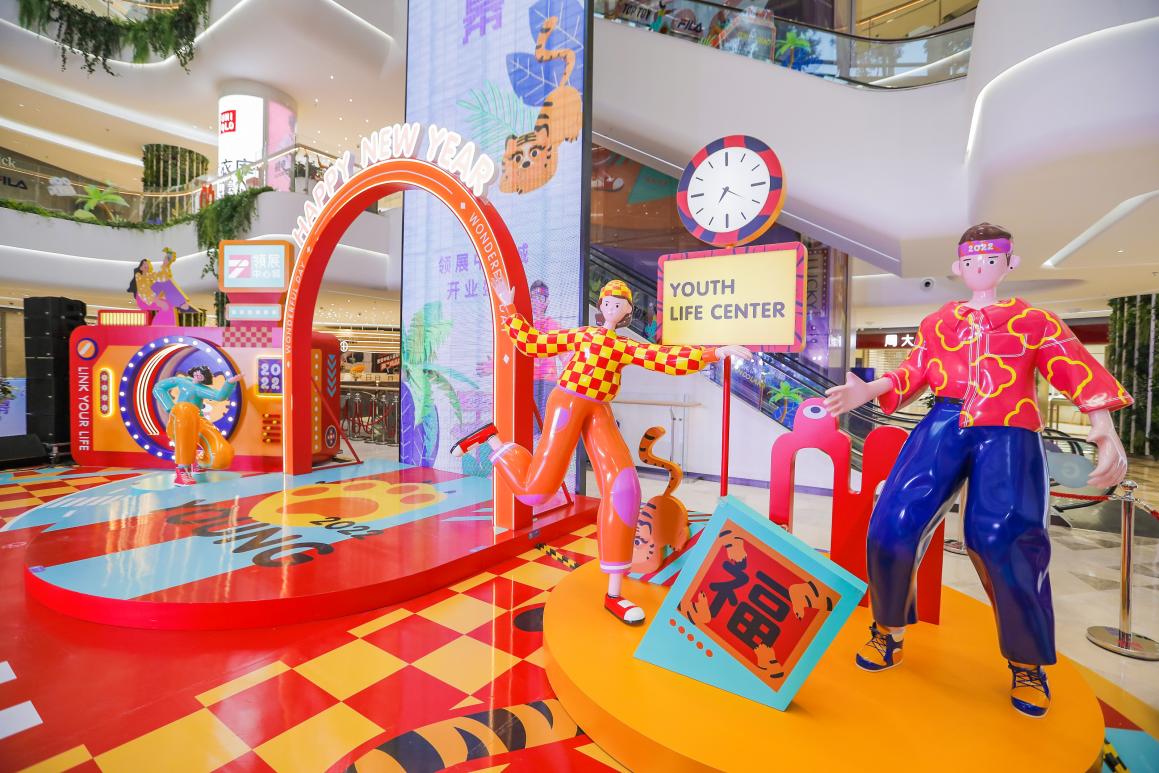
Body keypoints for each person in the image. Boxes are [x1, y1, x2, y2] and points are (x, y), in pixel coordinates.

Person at [823, 223, 1132, 717]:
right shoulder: (938, 322)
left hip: (1010, 428)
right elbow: (914, 370)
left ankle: (1027, 664)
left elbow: (1074, 366)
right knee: (892, 523)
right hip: (943, 423)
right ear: (958, 266)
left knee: (1004, 538)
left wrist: (1102, 424)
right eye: (970, 261)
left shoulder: (1035, 321)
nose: (980, 268)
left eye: (991, 259)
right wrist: (870, 389)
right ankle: (888, 630)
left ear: (1010, 263)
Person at [452, 279, 752, 624]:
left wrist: (715, 353)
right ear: (601, 306)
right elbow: (533, 343)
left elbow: (663, 358)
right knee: (535, 493)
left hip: (598, 409)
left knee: (625, 489)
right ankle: (493, 440)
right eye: (607, 301)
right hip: (567, 402)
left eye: (618, 303)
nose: (611, 306)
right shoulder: (581, 335)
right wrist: (508, 308)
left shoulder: (624, 346)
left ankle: (614, 594)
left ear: (627, 311)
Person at [153, 365, 242, 486]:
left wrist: (229, 383)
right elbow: (158, 388)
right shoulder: (181, 381)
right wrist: (170, 407)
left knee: (222, 454)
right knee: (185, 408)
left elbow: (219, 396)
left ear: (205, 377)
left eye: (202, 374)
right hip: (179, 418)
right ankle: (182, 470)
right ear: (194, 372)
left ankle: (201, 462)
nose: (199, 375)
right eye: (198, 372)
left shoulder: (201, 389)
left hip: (197, 419)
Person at [128, 248, 196, 325]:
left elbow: (164, 277)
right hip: (143, 299)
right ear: (140, 268)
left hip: (152, 297)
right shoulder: (139, 276)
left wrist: (165, 264)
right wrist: (156, 300)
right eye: (144, 264)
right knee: (165, 301)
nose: (146, 265)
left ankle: (168, 326)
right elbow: (143, 290)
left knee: (169, 303)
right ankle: (180, 303)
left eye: (147, 264)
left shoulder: (151, 275)